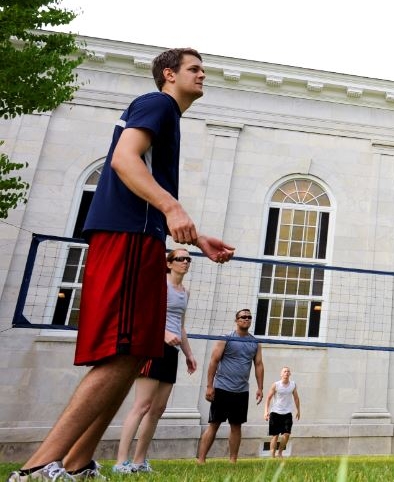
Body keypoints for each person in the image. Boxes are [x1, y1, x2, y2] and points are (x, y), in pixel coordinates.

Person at [7, 48, 235, 482]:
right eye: (194, 68)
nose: (203, 74)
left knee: (135, 354)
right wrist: (172, 208)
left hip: (142, 239)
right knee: (121, 352)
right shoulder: (158, 104)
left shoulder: (169, 115)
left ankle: (76, 464)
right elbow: (123, 159)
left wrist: (193, 233)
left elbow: (146, 184)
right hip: (125, 239)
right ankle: (38, 467)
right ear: (169, 75)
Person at [112, 247, 199, 474]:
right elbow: (142, 316)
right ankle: (121, 462)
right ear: (169, 263)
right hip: (153, 346)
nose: (186, 262)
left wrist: (188, 353)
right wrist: (163, 334)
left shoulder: (185, 292)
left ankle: (139, 462)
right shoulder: (159, 285)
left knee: (158, 409)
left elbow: (180, 326)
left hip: (172, 351)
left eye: (188, 259)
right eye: (180, 259)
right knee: (142, 406)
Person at [196, 309, 265, 463]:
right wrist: (209, 386)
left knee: (236, 426)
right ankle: (201, 460)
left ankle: (233, 460)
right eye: (243, 317)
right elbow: (213, 361)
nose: (246, 319)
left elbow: (259, 364)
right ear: (236, 320)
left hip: (241, 391)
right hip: (222, 388)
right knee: (214, 424)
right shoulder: (225, 339)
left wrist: (260, 388)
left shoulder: (254, 342)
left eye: (249, 317)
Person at [264, 367, 302, 458]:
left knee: (287, 434)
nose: (286, 373)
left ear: (290, 374)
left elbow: (296, 398)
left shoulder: (293, 385)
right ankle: (272, 455)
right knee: (275, 436)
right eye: (285, 371)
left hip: (287, 413)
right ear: (281, 374)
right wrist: (266, 411)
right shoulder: (276, 385)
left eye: (288, 371)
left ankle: (280, 453)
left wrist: (298, 410)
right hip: (275, 413)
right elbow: (268, 398)